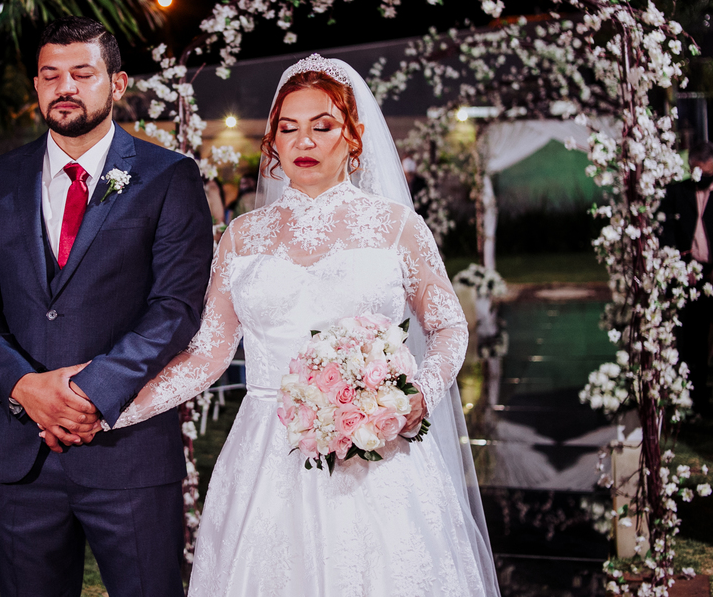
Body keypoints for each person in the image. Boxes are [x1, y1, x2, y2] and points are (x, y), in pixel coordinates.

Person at [108, 57, 499, 596]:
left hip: (375, 450)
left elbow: (449, 327)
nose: (304, 141)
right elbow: (207, 356)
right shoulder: (242, 236)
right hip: (266, 453)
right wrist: (111, 409)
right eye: (288, 128)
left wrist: (419, 395)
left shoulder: (397, 227)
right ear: (272, 141)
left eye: (323, 125)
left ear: (353, 136)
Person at [0, 16, 213, 597]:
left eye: (81, 73)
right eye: (50, 75)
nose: (64, 86)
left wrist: (88, 393)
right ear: (36, 85)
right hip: (18, 456)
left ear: (117, 83)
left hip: (127, 448)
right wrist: (25, 387)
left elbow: (175, 307)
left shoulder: (168, 177)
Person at [659, 140, 713, 407]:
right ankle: (695, 400)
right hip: (690, 272)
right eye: (695, 171)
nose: (700, 178)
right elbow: (668, 232)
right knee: (693, 341)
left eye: (706, 172)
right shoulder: (678, 192)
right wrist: (681, 266)